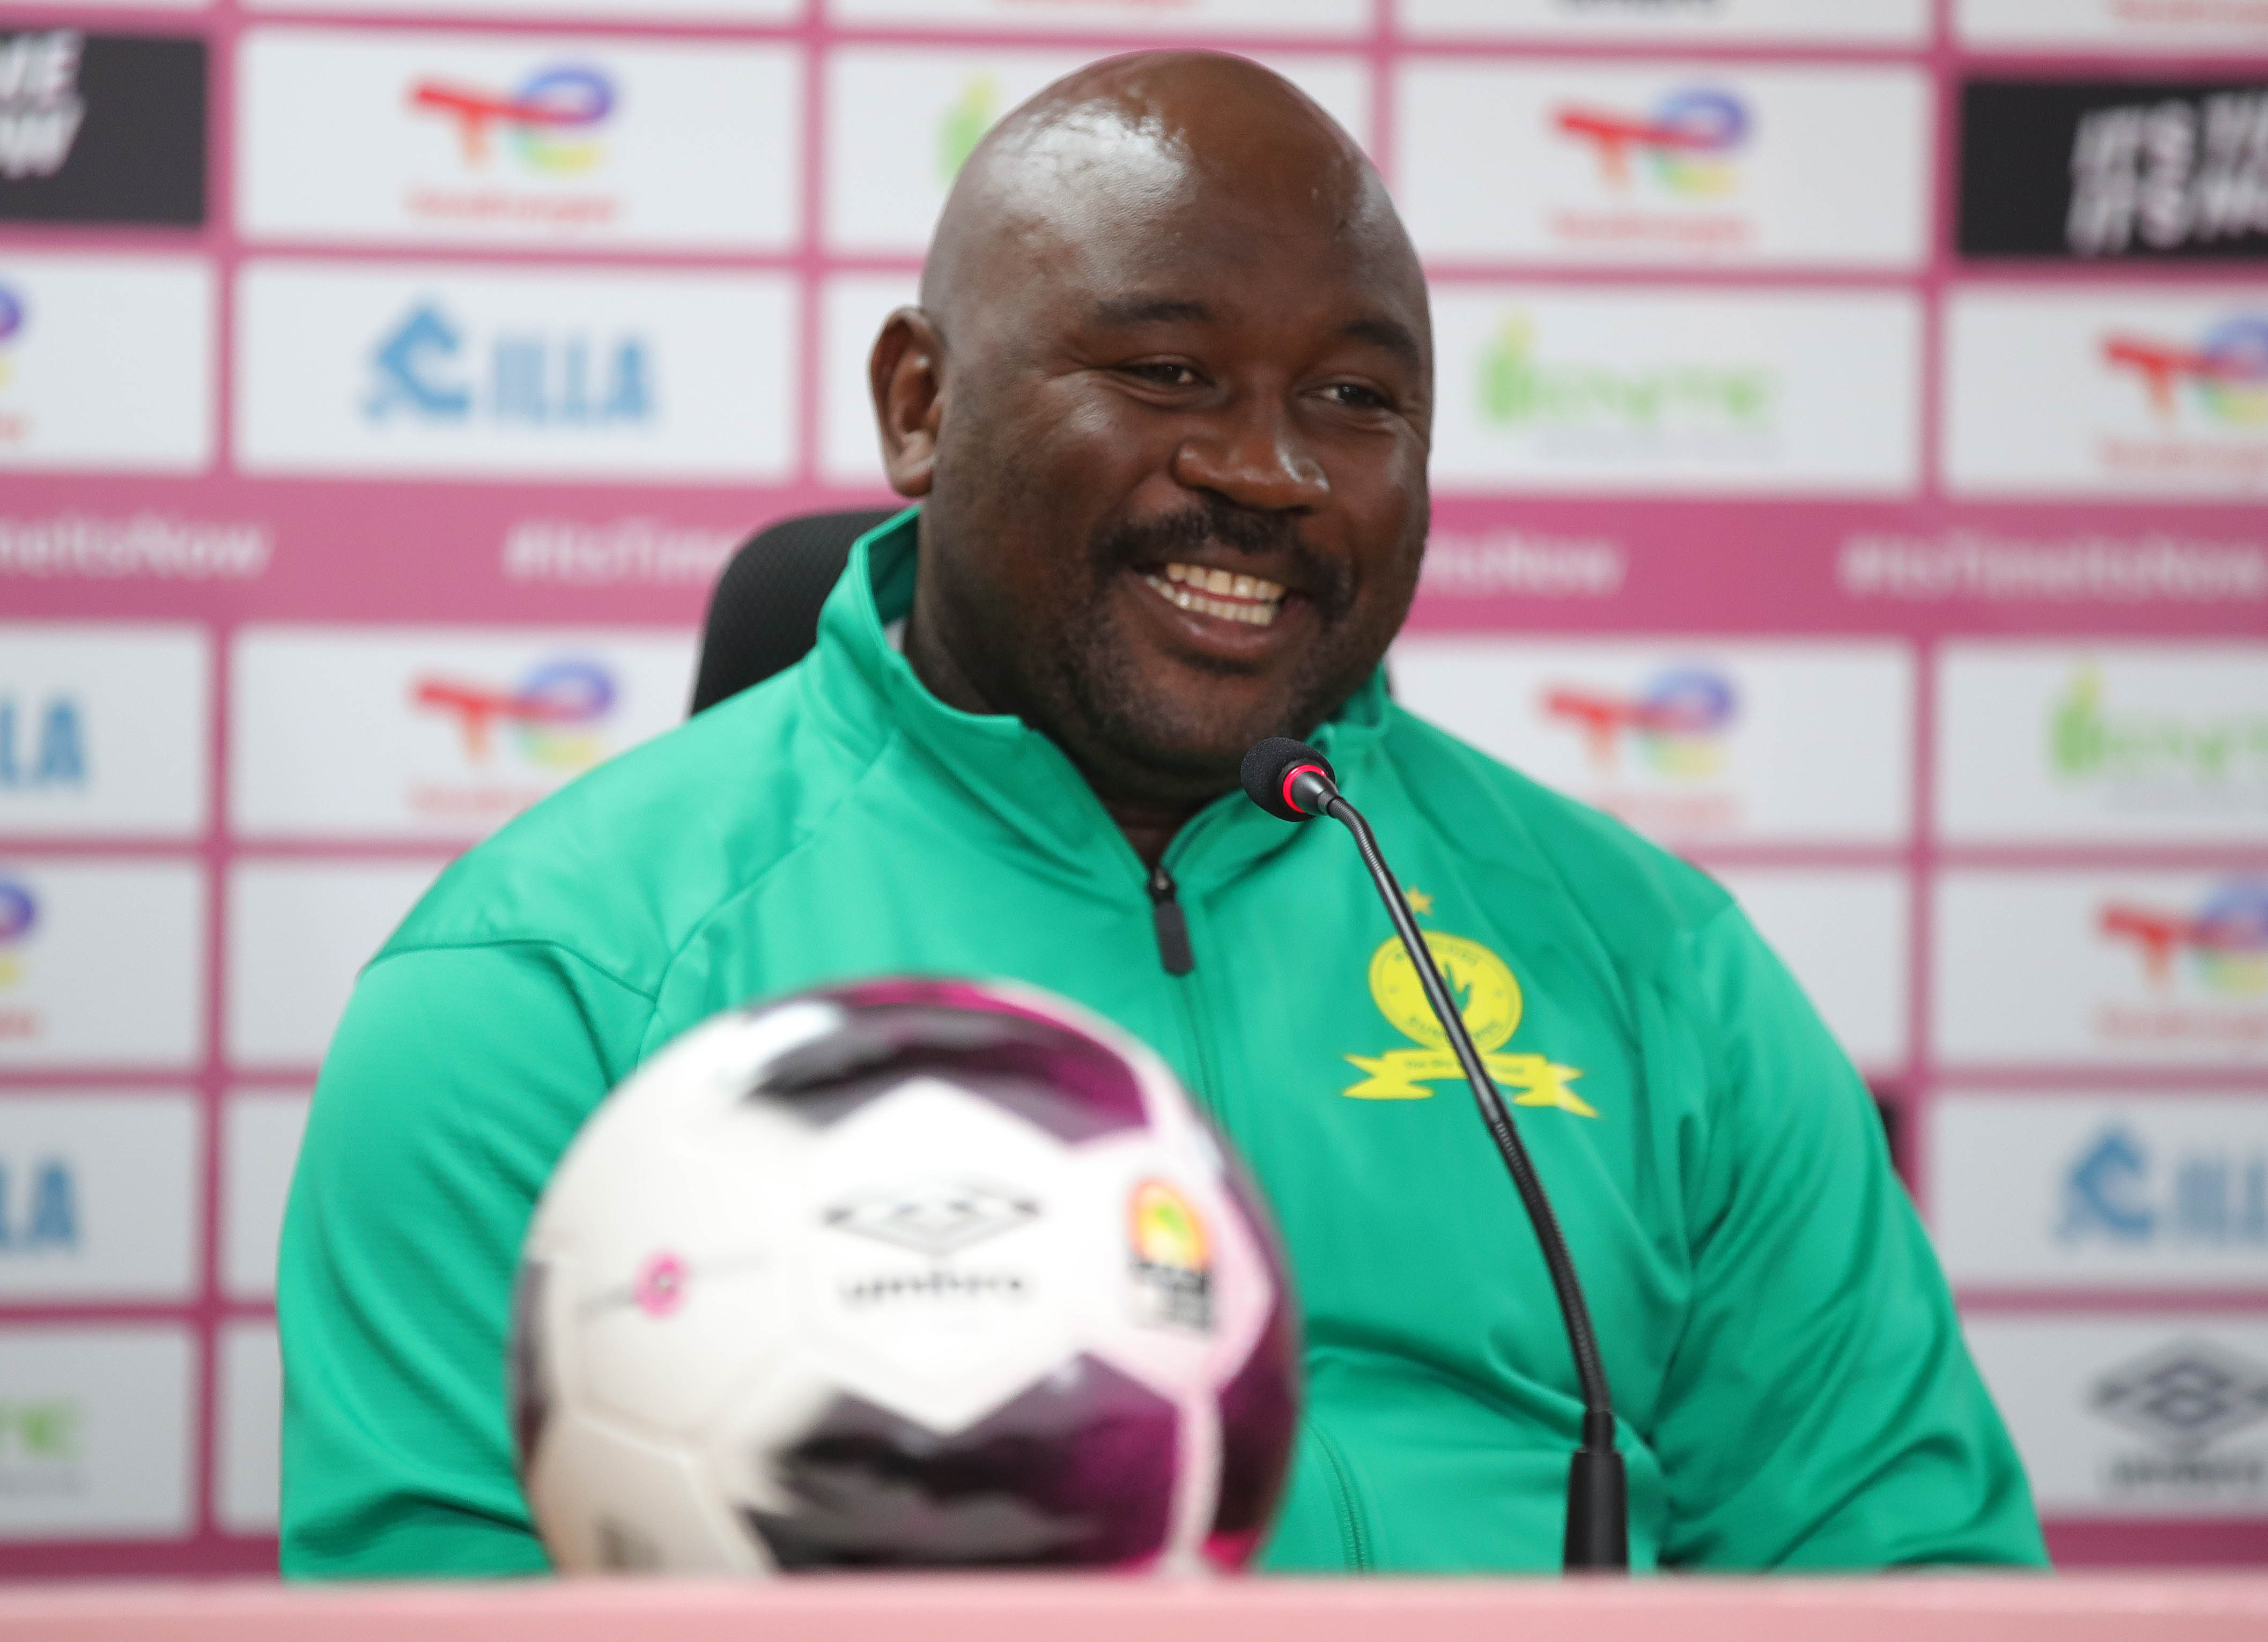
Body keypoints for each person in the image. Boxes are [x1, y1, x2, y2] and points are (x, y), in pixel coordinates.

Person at [278, 51, 2045, 1576]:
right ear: (921, 406)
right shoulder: (552, 980)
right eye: (1167, 373)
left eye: (1354, 399)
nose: (1267, 471)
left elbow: (1907, 1575)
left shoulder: (1656, 964)